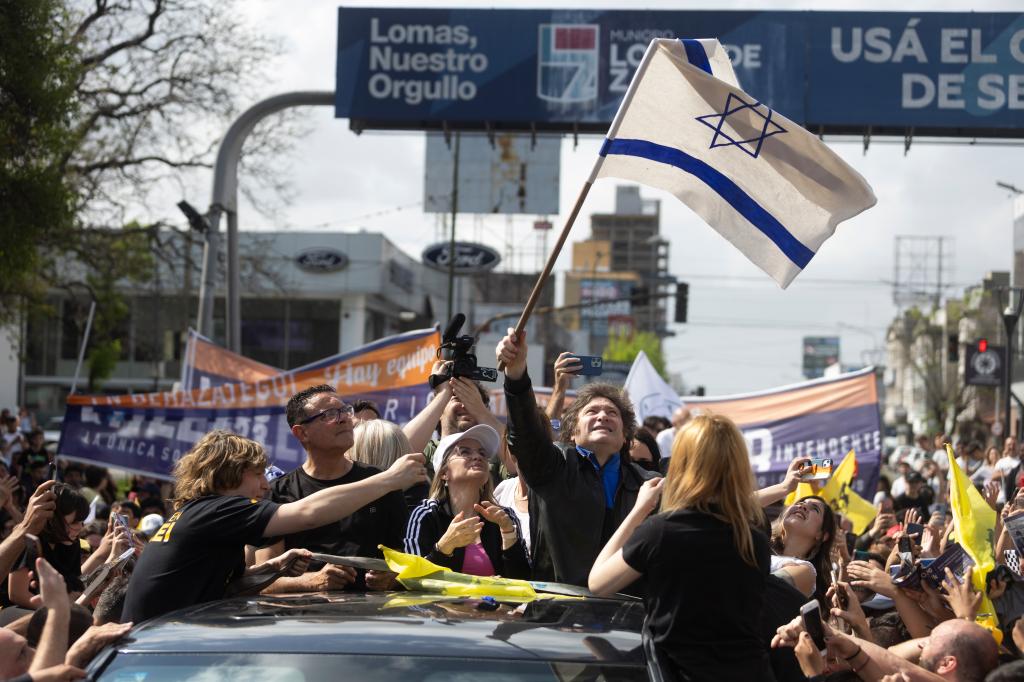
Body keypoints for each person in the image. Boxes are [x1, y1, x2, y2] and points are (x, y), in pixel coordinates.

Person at [122, 429, 427, 623]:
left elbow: (224, 586)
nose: (266, 485)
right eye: (257, 474)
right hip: (160, 641)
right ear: (228, 474)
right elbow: (307, 513)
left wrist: (272, 568)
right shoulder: (221, 509)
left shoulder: (202, 512)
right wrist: (388, 480)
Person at [589, 413, 774, 682]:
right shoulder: (753, 538)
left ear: (683, 464)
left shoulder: (661, 532)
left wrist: (640, 510)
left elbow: (598, 583)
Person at [496, 329, 659, 589]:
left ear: (625, 435)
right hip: (557, 612)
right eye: (592, 411)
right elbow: (525, 432)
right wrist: (516, 375)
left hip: (625, 618)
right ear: (572, 432)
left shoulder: (649, 486)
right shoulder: (553, 468)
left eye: (612, 413)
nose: (602, 416)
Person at [254, 385, 412, 593]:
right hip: (298, 619)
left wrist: (391, 579)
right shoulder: (278, 493)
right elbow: (263, 580)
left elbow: (406, 561)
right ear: (301, 433)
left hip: (373, 618)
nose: (344, 418)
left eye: (345, 410)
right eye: (329, 414)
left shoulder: (382, 483)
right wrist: (311, 582)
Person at [404, 425, 530, 579]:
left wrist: (508, 533)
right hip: (438, 604)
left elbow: (525, 581)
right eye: (465, 452)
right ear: (444, 473)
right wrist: (443, 547)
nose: (478, 457)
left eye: (482, 453)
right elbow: (411, 579)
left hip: (497, 604)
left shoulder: (504, 517)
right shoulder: (425, 515)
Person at [9, 484, 89, 608]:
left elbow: (74, 584)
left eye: (82, 522)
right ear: (54, 518)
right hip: (20, 610)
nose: (80, 527)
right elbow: (16, 594)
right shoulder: (29, 540)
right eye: (74, 522)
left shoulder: (72, 542)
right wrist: (57, 609)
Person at [769, 496, 835, 603]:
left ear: (821, 534)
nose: (802, 506)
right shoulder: (755, 543)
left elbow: (762, 589)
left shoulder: (805, 571)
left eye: (815, 509)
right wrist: (784, 488)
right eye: (800, 502)